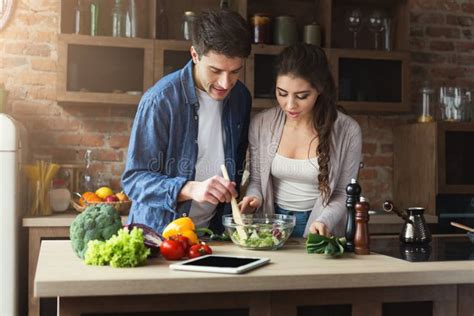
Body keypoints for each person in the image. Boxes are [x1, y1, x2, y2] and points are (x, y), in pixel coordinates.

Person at [122, 9, 252, 234]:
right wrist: (189, 188)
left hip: (212, 235)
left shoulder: (241, 97)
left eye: (235, 72)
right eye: (215, 70)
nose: (225, 82)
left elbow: (236, 166)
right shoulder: (160, 100)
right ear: (194, 55)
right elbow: (134, 180)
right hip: (159, 236)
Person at [239, 43, 362, 237]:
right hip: (272, 225)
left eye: (302, 96)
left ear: (320, 89)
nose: (290, 105)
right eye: (282, 93)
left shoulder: (348, 131)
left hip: (319, 226)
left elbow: (342, 192)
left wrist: (323, 221)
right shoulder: (261, 124)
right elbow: (257, 180)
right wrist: (254, 198)